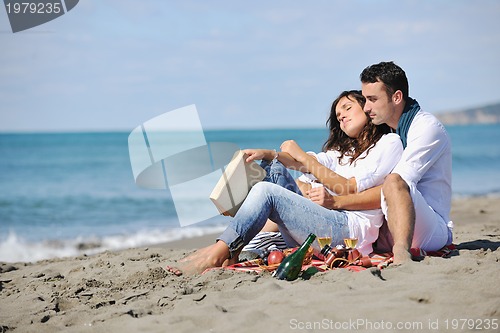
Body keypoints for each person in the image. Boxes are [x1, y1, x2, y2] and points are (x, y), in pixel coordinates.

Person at [166, 90, 403, 275]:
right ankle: (234, 241)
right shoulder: (343, 151)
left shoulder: (387, 143)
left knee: (266, 191)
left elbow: (350, 185)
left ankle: (221, 251)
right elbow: (304, 163)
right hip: (324, 224)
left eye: (347, 108)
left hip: (349, 232)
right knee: (273, 168)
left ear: (368, 108)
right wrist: (268, 154)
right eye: (338, 116)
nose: (341, 117)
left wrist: (299, 154)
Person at [327, 62, 453, 265]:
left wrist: (337, 201)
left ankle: (401, 254)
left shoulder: (426, 128)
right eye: (365, 99)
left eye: (372, 99)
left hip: (430, 229)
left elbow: (396, 185)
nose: (366, 107)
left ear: (396, 97)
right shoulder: (389, 131)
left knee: (394, 181)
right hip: (389, 222)